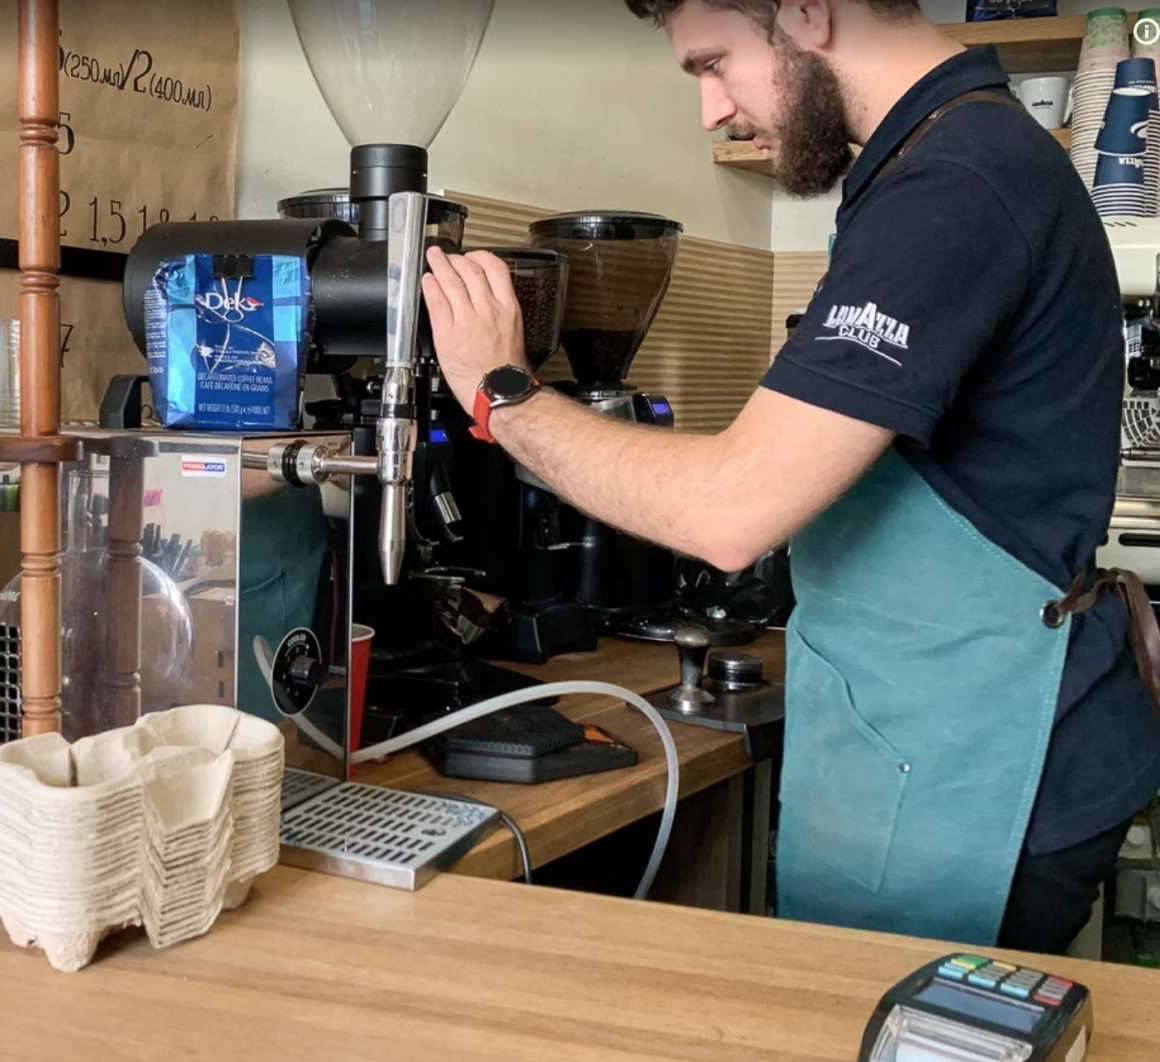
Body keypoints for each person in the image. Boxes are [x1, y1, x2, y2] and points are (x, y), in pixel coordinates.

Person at [421, 0, 1160, 954]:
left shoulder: (957, 183)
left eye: (712, 63)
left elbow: (730, 513)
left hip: (974, 765)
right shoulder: (938, 160)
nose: (711, 109)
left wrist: (502, 395)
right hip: (941, 730)